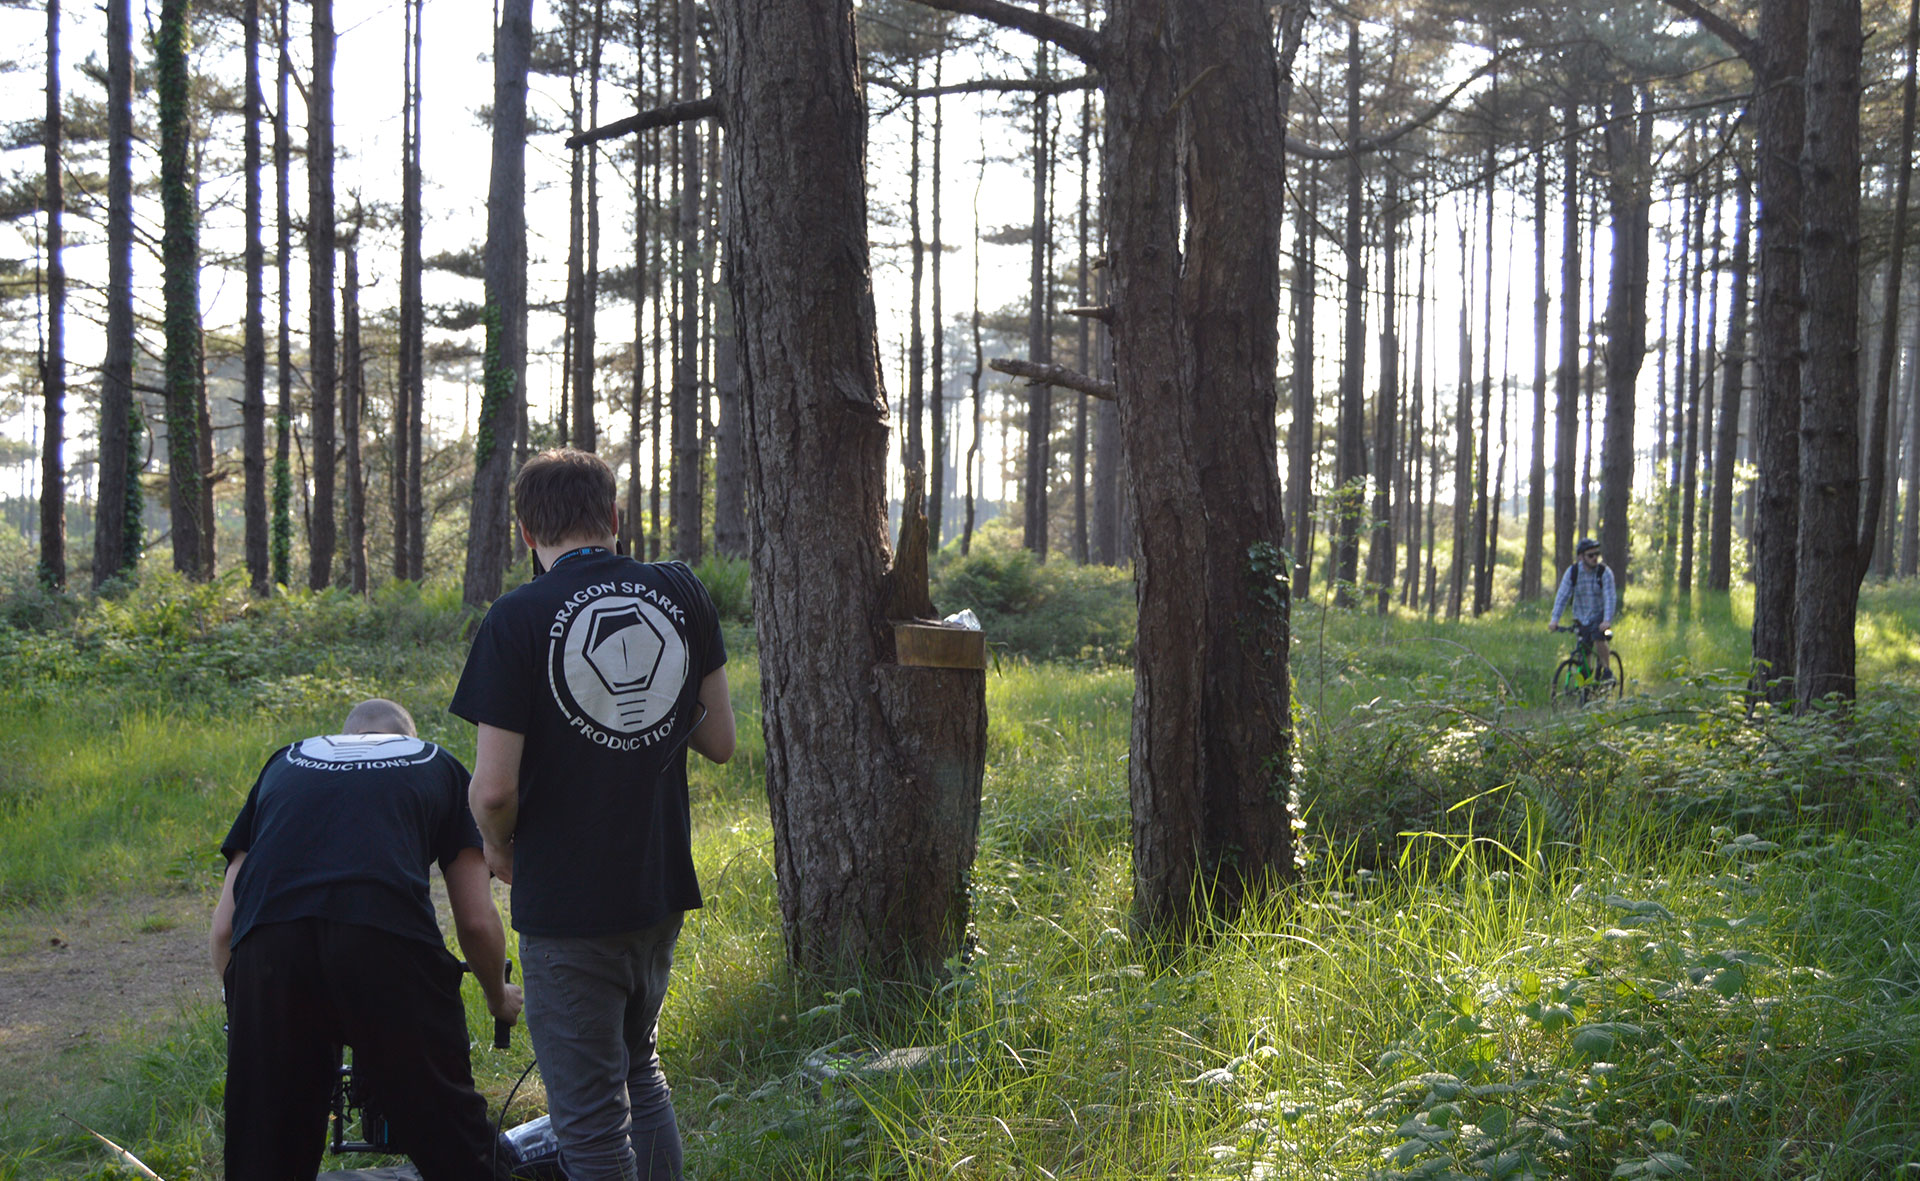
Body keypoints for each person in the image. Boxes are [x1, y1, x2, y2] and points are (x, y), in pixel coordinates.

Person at [452, 447, 735, 1181]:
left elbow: (490, 791)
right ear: (613, 517)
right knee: (639, 1069)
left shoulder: (516, 617)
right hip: (658, 883)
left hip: (569, 904)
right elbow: (720, 741)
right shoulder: (681, 590)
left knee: (588, 1115)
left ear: (524, 532)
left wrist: (500, 849)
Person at [211, 697, 523, 1181]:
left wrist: (249, 1013)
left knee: (265, 1148)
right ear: (408, 737)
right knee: (452, 1137)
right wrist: (498, 997)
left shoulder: (285, 763)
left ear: (345, 734)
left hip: (270, 951)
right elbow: (477, 922)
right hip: (386, 940)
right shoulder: (434, 762)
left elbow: (226, 928)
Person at [1548, 536, 1617, 679]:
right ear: (1581, 557)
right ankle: (1587, 684)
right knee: (1584, 650)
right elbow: (1562, 596)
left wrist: (1607, 620)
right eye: (1590, 555)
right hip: (1581, 615)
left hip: (1600, 613)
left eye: (1597, 554)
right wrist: (1555, 620)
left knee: (1598, 637)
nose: (1595, 558)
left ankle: (1607, 671)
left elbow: (1610, 598)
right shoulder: (1572, 572)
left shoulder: (1604, 572)